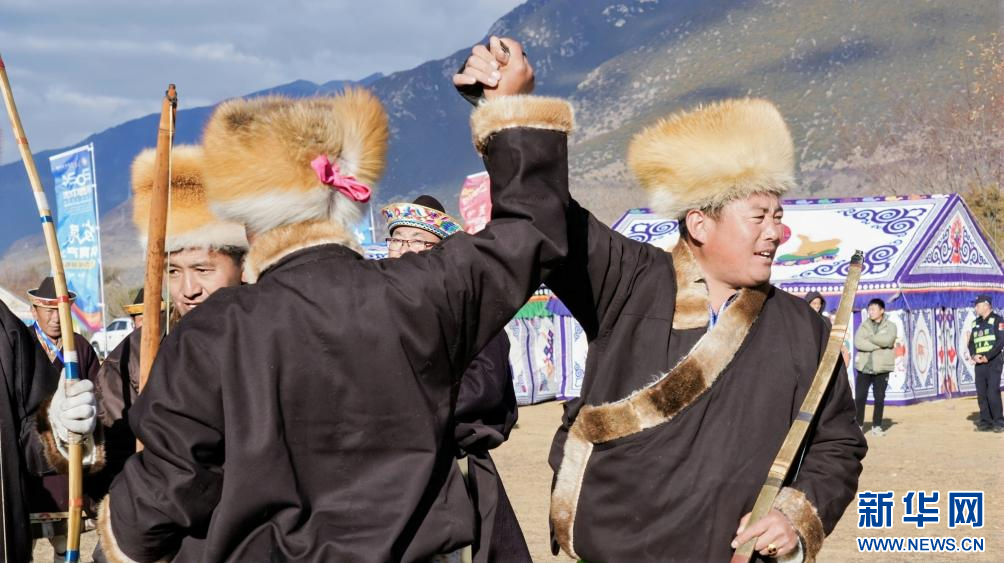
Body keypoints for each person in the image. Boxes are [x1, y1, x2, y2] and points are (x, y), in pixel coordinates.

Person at [98, 39, 572, 562]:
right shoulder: (421, 291)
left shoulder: (213, 332)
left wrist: (120, 543)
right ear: (343, 196)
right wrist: (509, 110)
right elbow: (531, 232)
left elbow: (168, 487)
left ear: (247, 222)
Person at [543, 98, 866, 562]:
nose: (775, 233)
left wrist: (792, 516)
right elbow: (548, 219)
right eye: (758, 216)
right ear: (699, 223)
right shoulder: (628, 284)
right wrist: (513, 114)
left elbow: (838, 443)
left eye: (778, 216)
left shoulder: (805, 330)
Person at [93, 145, 247, 499]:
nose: (188, 289)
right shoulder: (137, 353)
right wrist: (75, 437)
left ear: (243, 266)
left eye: (203, 269)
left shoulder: (275, 335)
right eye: (174, 272)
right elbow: (109, 451)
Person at [382, 195, 531, 562]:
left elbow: (484, 387)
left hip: (448, 467)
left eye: (419, 241)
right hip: (382, 472)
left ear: (441, 251)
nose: (405, 249)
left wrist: (408, 412)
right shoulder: (369, 307)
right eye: (398, 239)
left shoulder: (470, 309)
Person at [25, 276, 104, 561]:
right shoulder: (21, 343)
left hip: (68, 463)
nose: (56, 318)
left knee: (65, 541)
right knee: (22, 543)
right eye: (48, 310)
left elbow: (98, 394)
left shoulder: (80, 347)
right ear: (34, 311)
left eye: (60, 310)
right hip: (28, 462)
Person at [853, 298, 896, 436]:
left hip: (882, 368)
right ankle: (858, 425)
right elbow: (858, 342)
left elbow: (888, 340)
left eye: (873, 309)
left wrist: (870, 338)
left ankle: (876, 426)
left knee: (879, 398)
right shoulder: (864, 325)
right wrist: (877, 346)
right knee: (860, 397)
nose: (870, 312)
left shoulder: (890, 326)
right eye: (869, 309)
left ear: (881, 310)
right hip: (864, 367)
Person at [967, 294, 1004, 432]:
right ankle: (985, 422)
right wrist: (974, 355)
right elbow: (971, 343)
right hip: (979, 363)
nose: (975, 308)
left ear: (986, 305)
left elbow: (1001, 341)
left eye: (977, 305)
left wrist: (987, 357)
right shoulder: (975, 323)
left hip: (993, 361)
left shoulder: (998, 320)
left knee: (992, 391)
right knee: (981, 393)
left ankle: (999, 422)